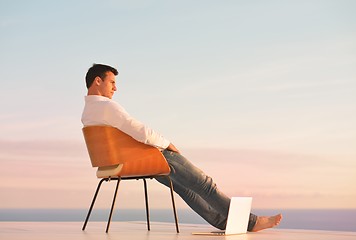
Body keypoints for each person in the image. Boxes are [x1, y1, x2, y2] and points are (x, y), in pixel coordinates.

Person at [81, 63, 282, 232]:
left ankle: (225, 223)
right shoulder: (107, 106)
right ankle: (251, 222)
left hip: (123, 162)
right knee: (204, 183)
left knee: (186, 189)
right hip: (147, 158)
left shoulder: (88, 113)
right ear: (98, 81)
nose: (115, 88)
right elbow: (139, 130)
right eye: (112, 82)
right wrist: (167, 144)